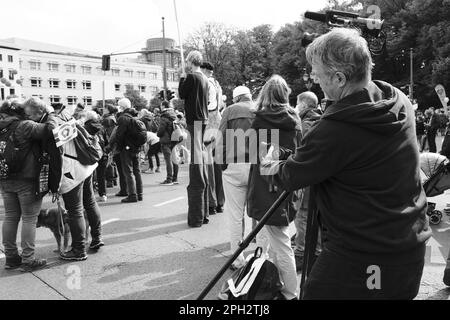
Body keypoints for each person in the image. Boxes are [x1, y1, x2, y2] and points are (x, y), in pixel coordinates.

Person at [263, 28, 431, 299]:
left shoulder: (334, 130)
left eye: (316, 72)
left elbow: (289, 176)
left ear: (339, 78)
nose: (313, 79)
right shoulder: (397, 99)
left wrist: (269, 162)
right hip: (410, 247)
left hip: (361, 258)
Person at [247, 75, 301, 300]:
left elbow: (254, 155)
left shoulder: (258, 121)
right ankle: (274, 285)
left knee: (280, 244)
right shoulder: (294, 119)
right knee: (275, 240)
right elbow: (300, 152)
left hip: (265, 186)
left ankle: (290, 293)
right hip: (287, 184)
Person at [0, 99, 50, 271]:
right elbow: (50, 130)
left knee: (10, 217)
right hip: (26, 179)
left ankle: (11, 257)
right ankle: (28, 259)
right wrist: (49, 114)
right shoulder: (25, 126)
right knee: (29, 218)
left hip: (5, 178)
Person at [215, 85, 256, 270]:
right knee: (261, 211)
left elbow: (221, 139)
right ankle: (261, 258)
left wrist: (223, 165)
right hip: (257, 165)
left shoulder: (230, 111)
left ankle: (238, 259)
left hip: (235, 165)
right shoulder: (260, 108)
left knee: (235, 215)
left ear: (236, 98)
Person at [178, 50, 210, 227]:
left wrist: (182, 78)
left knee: (196, 159)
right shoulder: (204, 78)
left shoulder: (191, 77)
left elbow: (182, 94)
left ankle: (199, 214)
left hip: (194, 119)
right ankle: (204, 211)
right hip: (203, 118)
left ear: (190, 62)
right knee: (200, 156)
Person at [292, 91, 322, 271]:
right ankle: (317, 250)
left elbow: (301, 151)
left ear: (303, 105)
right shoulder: (322, 120)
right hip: (320, 176)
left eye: (297, 103)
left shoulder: (304, 124)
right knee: (315, 216)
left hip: (308, 176)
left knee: (302, 215)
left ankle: (302, 254)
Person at [201, 62, 225, 215]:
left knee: (208, 166)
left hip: (207, 124)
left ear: (203, 70)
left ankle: (211, 202)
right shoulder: (216, 83)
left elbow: (206, 105)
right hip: (218, 121)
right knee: (217, 166)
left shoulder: (205, 82)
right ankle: (220, 202)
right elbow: (220, 104)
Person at [115, 98, 143, 203]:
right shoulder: (135, 116)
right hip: (136, 147)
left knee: (128, 172)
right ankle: (139, 194)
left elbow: (120, 135)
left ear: (121, 107)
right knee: (137, 171)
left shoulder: (123, 118)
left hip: (126, 148)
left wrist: (119, 147)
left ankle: (132, 195)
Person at [157, 100, 179, 185]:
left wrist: (158, 134)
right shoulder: (173, 115)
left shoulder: (164, 116)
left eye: (161, 105)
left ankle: (169, 179)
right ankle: (175, 178)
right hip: (174, 139)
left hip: (166, 140)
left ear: (163, 106)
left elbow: (161, 130)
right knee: (174, 159)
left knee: (168, 160)